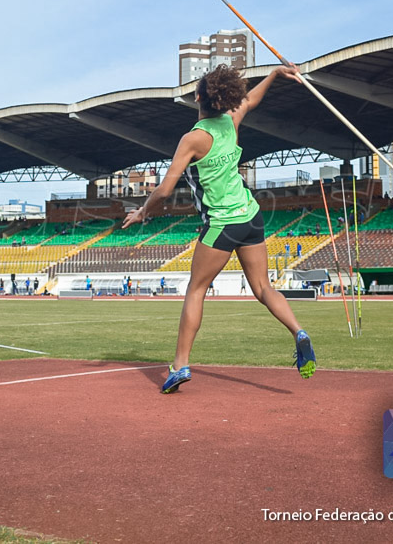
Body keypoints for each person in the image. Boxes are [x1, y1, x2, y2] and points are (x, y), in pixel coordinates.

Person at [122, 63, 315, 393]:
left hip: (222, 224)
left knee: (196, 290)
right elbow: (250, 101)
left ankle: (180, 365)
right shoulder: (230, 121)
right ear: (226, 98)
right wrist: (273, 75)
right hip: (251, 215)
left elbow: (165, 189)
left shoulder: (193, 139)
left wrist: (142, 212)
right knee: (263, 288)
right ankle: (298, 330)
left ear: (198, 97)